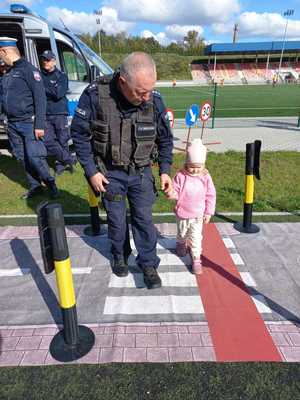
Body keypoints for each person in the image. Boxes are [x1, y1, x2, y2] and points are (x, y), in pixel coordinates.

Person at [71, 52, 173, 289]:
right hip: (109, 174)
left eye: (150, 90)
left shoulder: (153, 101)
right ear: (123, 82)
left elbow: (165, 139)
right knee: (116, 221)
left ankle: (148, 263)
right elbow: (78, 134)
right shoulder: (96, 95)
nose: (146, 97)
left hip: (141, 173)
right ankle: (119, 253)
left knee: (144, 220)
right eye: (140, 92)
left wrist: (165, 170)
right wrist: (91, 171)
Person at [0, 37, 58, 199]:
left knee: (34, 157)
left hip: (29, 123)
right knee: (21, 157)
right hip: (11, 124)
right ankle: (35, 186)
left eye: (0, 54)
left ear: (4, 51)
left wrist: (39, 124)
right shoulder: (8, 72)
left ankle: (50, 183)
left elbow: (40, 98)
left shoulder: (29, 70)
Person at [166, 139, 216, 274]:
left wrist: (208, 212)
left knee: (195, 237)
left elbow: (211, 195)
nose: (195, 170)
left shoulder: (205, 177)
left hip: (197, 214)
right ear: (186, 164)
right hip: (182, 213)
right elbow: (175, 191)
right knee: (182, 232)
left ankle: (196, 259)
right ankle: (181, 243)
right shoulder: (181, 176)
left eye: (198, 167)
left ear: (203, 165)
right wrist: (171, 193)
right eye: (192, 166)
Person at [41, 50, 76, 176]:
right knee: (48, 141)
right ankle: (69, 159)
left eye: (48, 60)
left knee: (62, 139)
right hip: (45, 113)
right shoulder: (39, 76)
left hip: (60, 112)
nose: (45, 62)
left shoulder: (61, 76)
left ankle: (60, 165)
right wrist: (50, 89)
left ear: (54, 61)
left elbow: (58, 94)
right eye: (44, 59)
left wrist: (43, 89)